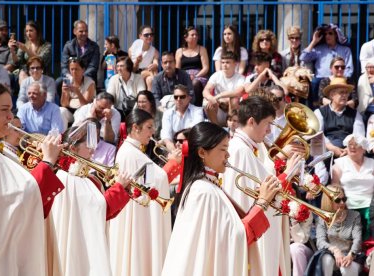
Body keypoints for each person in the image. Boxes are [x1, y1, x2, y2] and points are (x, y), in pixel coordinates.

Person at [0, 81, 65, 275]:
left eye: (11, 110)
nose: (11, 117)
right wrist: (47, 162)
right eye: (4, 110)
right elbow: (19, 201)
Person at [162, 122, 282, 276]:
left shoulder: (207, 185)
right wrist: (262, 203)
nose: (228, 155)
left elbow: (231, 233)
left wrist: (260, 202)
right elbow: (234, 240)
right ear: (202, 153)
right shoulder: (203, 191)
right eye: (223, 149)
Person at [223, 96, 302, 276]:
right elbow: (258, 195)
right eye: (267, 124)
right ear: (251, 121)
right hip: (256, 235)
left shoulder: (253, 148)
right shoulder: (240, 151)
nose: (268, 130)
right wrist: (287, 173)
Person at [51, 124, 131, 276]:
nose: (93, 150)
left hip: (83, 242)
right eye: (88, 145)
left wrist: (121, 189)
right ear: (73, 149)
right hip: (77, 244)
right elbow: (98, 210)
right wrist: (119, 188)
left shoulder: (86, 178)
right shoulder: (67, 177)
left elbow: (99, 212)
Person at [108, 109, 172, 276]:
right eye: (149, 127)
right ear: (135, 127)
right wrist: (174, 163)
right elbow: (155, 180)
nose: (152, 132)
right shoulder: (131, 153)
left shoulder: (131, 150)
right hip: (136, 213)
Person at [309, 185, 363, 276]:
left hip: (351, 255)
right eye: (337, 200)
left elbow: (358, 239)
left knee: (346, 268)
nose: (342, 202)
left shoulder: (354, 215)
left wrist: (351, 254)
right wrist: (335, 250)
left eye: (344, 199)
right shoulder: (322, 219)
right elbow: (320, 241)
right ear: (328, 201)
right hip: (332, 254)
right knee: (326, 260)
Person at [300, 23, 353, 109]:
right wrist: (314, 42)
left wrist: (340, 79)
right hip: (320, 82)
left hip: (339, 80)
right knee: (313, 82)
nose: (327, 36)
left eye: (330, 33)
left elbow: (349, 70)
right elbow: (303, 58)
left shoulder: (345, 50)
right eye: (325, 34)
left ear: (336, 35)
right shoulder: (319, 49)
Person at [332, 134, 374, 239]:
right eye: (349, 144)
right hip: (347, 205)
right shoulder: (339, 163)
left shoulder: (372, 163)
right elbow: (334, 187)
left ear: (364, 148)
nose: (352, 147)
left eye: (356, 144)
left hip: (370, 205)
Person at [314, 77, 365, 157]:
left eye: (346, 93)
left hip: (349, 151)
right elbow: (317, 134)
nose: (344, 95)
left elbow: (359, 135)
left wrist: (348, 149)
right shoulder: (320, 112)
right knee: (316, 144)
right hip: (326, 150)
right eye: (341, 92)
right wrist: (331, 148)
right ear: (332, 95)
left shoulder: (355, 114)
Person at [203, 51, 245, 126]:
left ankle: (231, 128)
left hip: (234, 109)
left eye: (228, 62)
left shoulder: (240, 78)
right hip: (219, 107)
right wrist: (211, 98)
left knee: (234, 100)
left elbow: (238, 92)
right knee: (207, 102)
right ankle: (216, 129)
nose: (224, 65)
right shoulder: (216, 75)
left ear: (235, 64)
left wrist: (219, 96)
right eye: (222, 62)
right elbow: (206, 90)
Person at [160, 84, 204, 152]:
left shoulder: (197, 111)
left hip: (192, 149)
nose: (178, 99)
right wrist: (174, 150)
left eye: (182, 97)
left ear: (189, 98)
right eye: (176, 97)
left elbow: (194, 130)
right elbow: (166, 135)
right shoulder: (167, 113)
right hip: (173, 148)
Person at [9, 20, 52, 84]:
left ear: (37, 31)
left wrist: (26, 50)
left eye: (31, 30)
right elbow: (17, 62)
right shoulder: (25, 45)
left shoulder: (46, 46)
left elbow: (41, 61)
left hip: (42, 73)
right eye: (26, 31)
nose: (28, 33)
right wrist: (12, 51)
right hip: (26, 72)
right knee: (22, 73)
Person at [175, 26, 209, 106]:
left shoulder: (202, 49)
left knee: (195, 83)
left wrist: (196, 76)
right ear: (185, 38)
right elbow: (177, 69)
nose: (195, 37)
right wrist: (186, 76)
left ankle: (197, 107)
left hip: (199, 75)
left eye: (196, 35)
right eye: (192, 35)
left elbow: (206, 67)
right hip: (184, 76)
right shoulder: (179, 51)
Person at [60, 58, 96, 130]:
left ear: (83, 70)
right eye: (72, 69)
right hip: (70, 110)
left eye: (76, 69)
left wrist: (77, 92)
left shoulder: (90, 83)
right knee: (61, 111)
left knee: (80, 113)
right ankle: (61, 136)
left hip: (83, 110)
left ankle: (72, 137)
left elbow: (85, 104)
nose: (74, 72)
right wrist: (65, 93)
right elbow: (64, 104)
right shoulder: (67, 81)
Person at [129, 25, 159, 90]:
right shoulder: (132, 49)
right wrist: (137, 61)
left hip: (148, 73)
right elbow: (132, 69)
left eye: (151, 34)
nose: (149, 36)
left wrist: (154, 65)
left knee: (150, 79)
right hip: (135, 73)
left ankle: (149, 99)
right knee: (149, 75)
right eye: (146, 35)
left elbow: (156, 63)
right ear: (140, 36)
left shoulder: (155, 51)